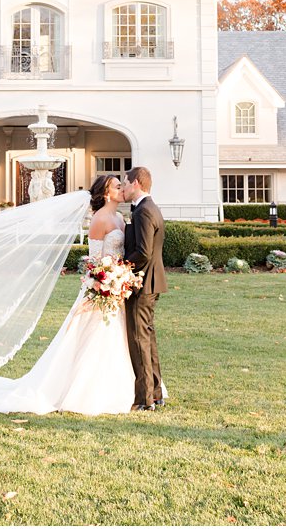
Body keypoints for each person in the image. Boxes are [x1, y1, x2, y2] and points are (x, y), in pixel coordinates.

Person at [0, 174, 137, 416]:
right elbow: (94, 261)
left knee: (116, 337)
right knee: (92, 337)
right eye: (117, 185)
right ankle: (84, 391)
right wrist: (102, 283)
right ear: (105, 193)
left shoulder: (120, 217)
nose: (121, 188)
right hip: (100, 288)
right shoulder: (99, 219)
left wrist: (121, 277)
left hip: (116, 288)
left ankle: (120, 386)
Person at [121, 165, 167, 410]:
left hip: (142, 283)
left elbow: (144, 252)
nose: (124, 188)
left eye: (125, 183)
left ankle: (144, 399)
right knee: (148, 339)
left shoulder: (143, 212)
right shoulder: (150, 208)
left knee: (139, 340)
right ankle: (156, 393)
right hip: (152, 281)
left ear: (136, 183)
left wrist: (120, 268)